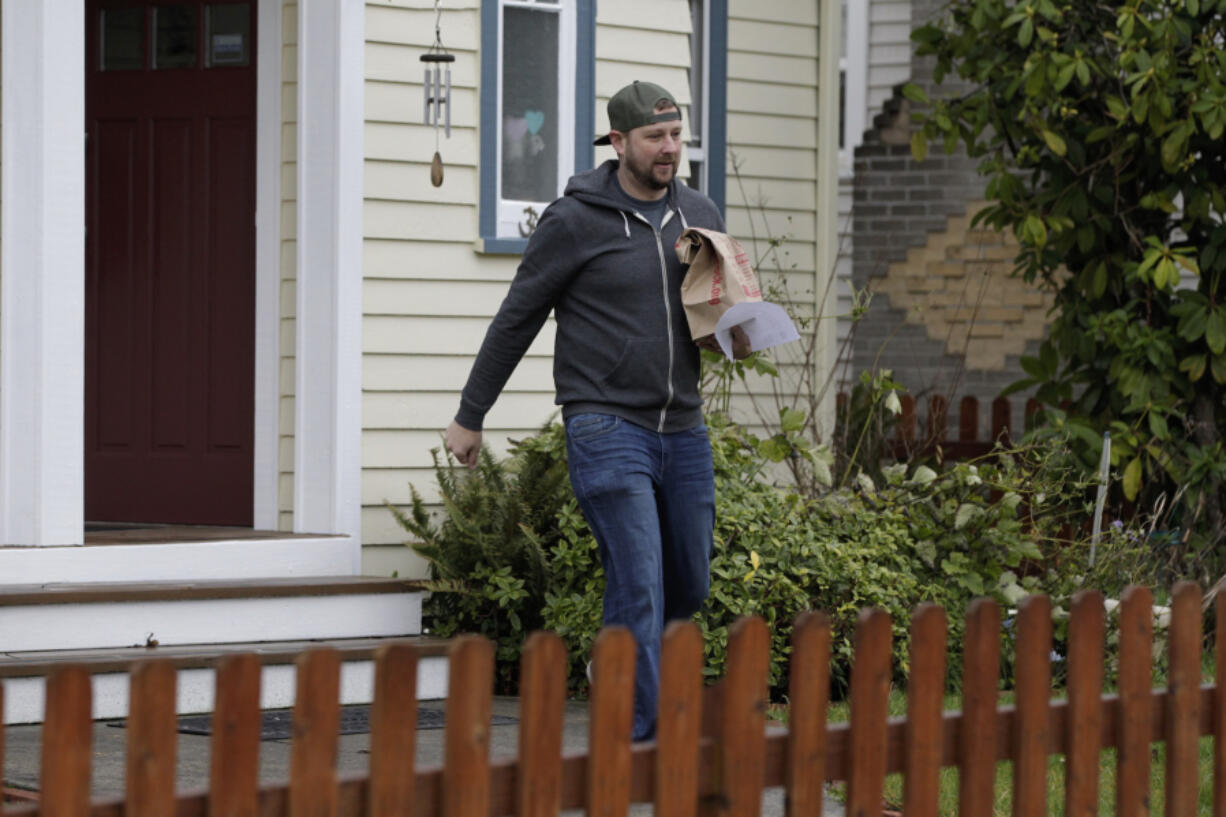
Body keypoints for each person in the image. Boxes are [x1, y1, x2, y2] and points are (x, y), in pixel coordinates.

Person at [445, 80, 748, 741]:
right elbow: (517, 316)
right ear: (618, 143)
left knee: (688, 582)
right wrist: (472, 414)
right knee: (639, 578)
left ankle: (612, 665)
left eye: (676, 136)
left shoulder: (697, 210)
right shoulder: (575, 219)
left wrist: (739, 321)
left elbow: (716, 309)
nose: (669, 150)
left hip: (684, 426)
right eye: (654, 138)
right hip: (605, 422)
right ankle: (640, 739)